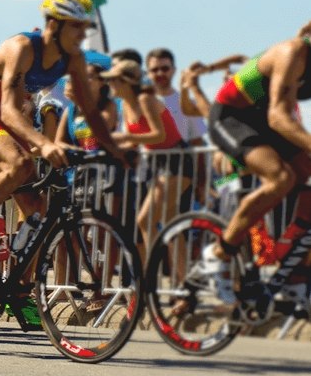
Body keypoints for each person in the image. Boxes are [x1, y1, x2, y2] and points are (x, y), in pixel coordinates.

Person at [0, 0, 126, 326]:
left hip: (5, 123)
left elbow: (88, 108)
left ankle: (19, 290)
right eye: (77, 27)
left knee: (41, 216)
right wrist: (44, 144)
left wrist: (116, 151)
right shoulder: (22, 47)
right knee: (20, 164)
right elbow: (9, 110)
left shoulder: (72, 58)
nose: (82, 35)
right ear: (55, 25)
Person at [204, 30, 311, 307]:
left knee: (304, 173)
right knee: (280, 177)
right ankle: (220, 253)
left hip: (263, 121)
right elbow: (278, 116)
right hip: (232, 116)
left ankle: (291, 270)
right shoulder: (294, 52)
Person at [100, 60, 192, 255]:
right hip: (159, 163)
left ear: (126, 82)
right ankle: (182, 280)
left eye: (113, 80)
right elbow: (134, 143)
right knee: (170, 225)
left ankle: (152, 277)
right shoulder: (124, 105)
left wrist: (125, 136)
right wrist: (111, 149)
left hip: (176, 159)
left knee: (145, 220)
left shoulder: (145, 99)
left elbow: (159, 135)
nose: (109, 85)